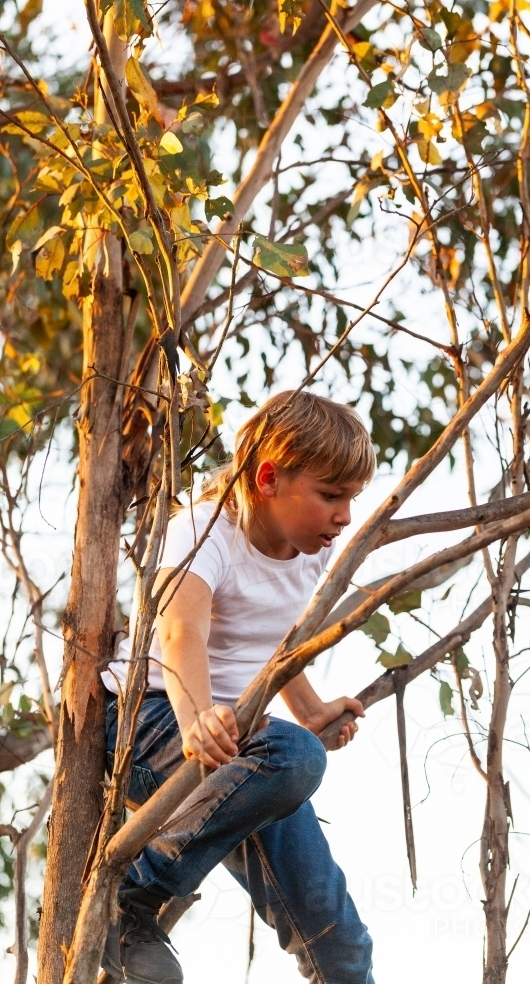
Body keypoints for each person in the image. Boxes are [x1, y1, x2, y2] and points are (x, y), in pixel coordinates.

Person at [101, 390, 377, 984]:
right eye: (332, 496)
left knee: (342, 945)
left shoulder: (307, 551)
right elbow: (180, 631)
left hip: (239, 750)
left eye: (352, 499)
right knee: (291, 756)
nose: (345, 516)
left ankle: (131, 906)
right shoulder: (204, 530)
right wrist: (198, 716)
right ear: (269, 477)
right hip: (147, 720)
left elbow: (272, 641)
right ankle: (127, 899)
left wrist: (310, 708)